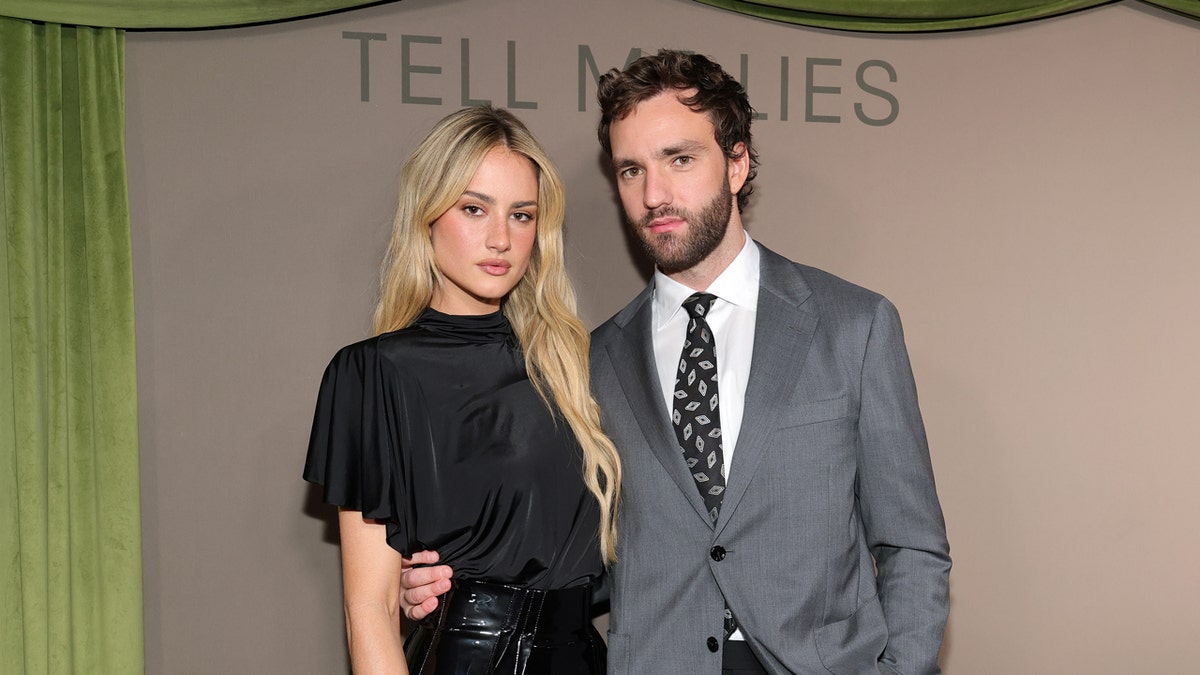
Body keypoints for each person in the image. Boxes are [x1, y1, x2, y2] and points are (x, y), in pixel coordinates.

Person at [400, 51, 951, 675]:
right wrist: (441, 585)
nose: (654, 194)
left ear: (736, 163)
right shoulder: (591, 360)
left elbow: (912, 544)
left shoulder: (854, 325)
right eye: (631, 170)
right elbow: (577, 560)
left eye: (679, 159)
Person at [303, 106, 621, 675]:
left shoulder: (576, 366)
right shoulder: (376, 375)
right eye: (474, 209)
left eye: (521, 215)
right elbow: (369, 609)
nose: (500, 238)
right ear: (427, 216)